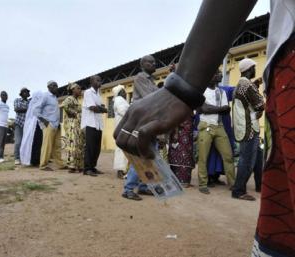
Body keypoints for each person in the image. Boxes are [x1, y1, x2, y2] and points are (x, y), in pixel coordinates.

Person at [114, 1, 295, 256]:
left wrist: (183, 88)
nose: (153, 65)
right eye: (150, 62)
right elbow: (211, 109)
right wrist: (182, 87)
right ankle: (135, 187)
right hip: (177, 120)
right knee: (147, 154)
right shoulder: (145, 81)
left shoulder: (226, 89)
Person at [122, 55, 158, 200]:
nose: (154, 63)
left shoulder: (152, 80)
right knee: (140, 154)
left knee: (149, 155)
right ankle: (128, 189)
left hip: (150, 121)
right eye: (151, 62)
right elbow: (152, 97)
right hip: (142, 121)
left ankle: (143, 186)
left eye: (154, 62)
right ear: (143, 65)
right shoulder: (140, 78)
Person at [196, 70, 235, 194]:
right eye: (216, 73)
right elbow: (202, 109)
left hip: (219, 126)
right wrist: (218, 109)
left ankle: (233, 184)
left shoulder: (222, 92)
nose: (220, 75)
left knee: (228, 156)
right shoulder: (201, 92)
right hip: (205, 126)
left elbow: (226, 110)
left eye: (219, 73)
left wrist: (210, 109)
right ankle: (202, 184)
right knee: (203, 157)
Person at [231, 58, 264, 201]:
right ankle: (238, 191)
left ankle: (260, 185)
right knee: (247, 160)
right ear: (249, 69)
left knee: (258, 156)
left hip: (245, 126)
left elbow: (247, 97)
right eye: (254, 68)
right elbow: (260, 105)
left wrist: (256, 84)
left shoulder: (241, 84)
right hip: (249, 127)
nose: (255, 70)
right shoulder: (248, 86)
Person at [81, 75, 107, 176]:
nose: (100, 82)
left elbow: (100, 107)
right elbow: (93, 107)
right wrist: (103, 109)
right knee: (90, 147)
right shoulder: (88, 92)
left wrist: (101, 108)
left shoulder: (98, 94)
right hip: (90, 123)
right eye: (97, 80)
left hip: (98, 124)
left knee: (97, 148)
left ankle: (93, 167)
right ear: (91, 82)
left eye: (100, 80)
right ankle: (87, 169)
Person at [34, 81, 63, 171]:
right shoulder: (45, 96)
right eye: (54, 86)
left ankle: (60, 164)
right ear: (49, 87)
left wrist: (58, 124)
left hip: (56, 124)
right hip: (49, 124)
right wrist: (45, 122)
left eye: (57, 86)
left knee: (57, 146)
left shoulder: (54, 98)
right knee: (47, 145)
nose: (56, 87)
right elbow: (35, 110)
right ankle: (43, 165)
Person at [62, 83, 84, 173]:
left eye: (80, 88)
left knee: (78, 144)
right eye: (78, 88)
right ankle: (71, 165)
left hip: (78, 125)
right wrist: (75, 113)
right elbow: (65, 106)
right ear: (73, 90)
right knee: (72, 144)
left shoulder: (77, 100)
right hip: (72, 124)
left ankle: (78, 165)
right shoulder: (69, 99)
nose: (80, 90)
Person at [168, 117, 195, 187]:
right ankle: (177, 182)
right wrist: (176, 133)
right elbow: (175, 117)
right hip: (179, 133)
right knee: (178, 156)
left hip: (188, 134)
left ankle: (185, 181)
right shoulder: (178, 106)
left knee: (187, 156)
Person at [20, 91, 44, 166]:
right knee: (36, 144)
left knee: (36, 144)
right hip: (36, 127)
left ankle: (36, 160)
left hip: (34, 127)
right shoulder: (36, 105)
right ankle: (35, 160)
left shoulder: (33, 105)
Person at [112, 85, 129, 179]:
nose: (125, 93)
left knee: (123, 150)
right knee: (120, 150)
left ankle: (123, 171)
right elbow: (123, 111)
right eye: (123, 91)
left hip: (123, 128)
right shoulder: (119, 99)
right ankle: (120, 171)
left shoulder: (121, 100)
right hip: (121, 128)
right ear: (119, 93)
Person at [13, 87, 30, 165]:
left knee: (26, 142)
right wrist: (28, 109)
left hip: (27, 125)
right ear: (21, 94)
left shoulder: (30, 102)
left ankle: (24, 157)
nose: (27, 93)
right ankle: (17, 158)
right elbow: (17, 109)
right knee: (18, 142)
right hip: (18, 124)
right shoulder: (17, 100)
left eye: (27, 92)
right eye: (25, 92)